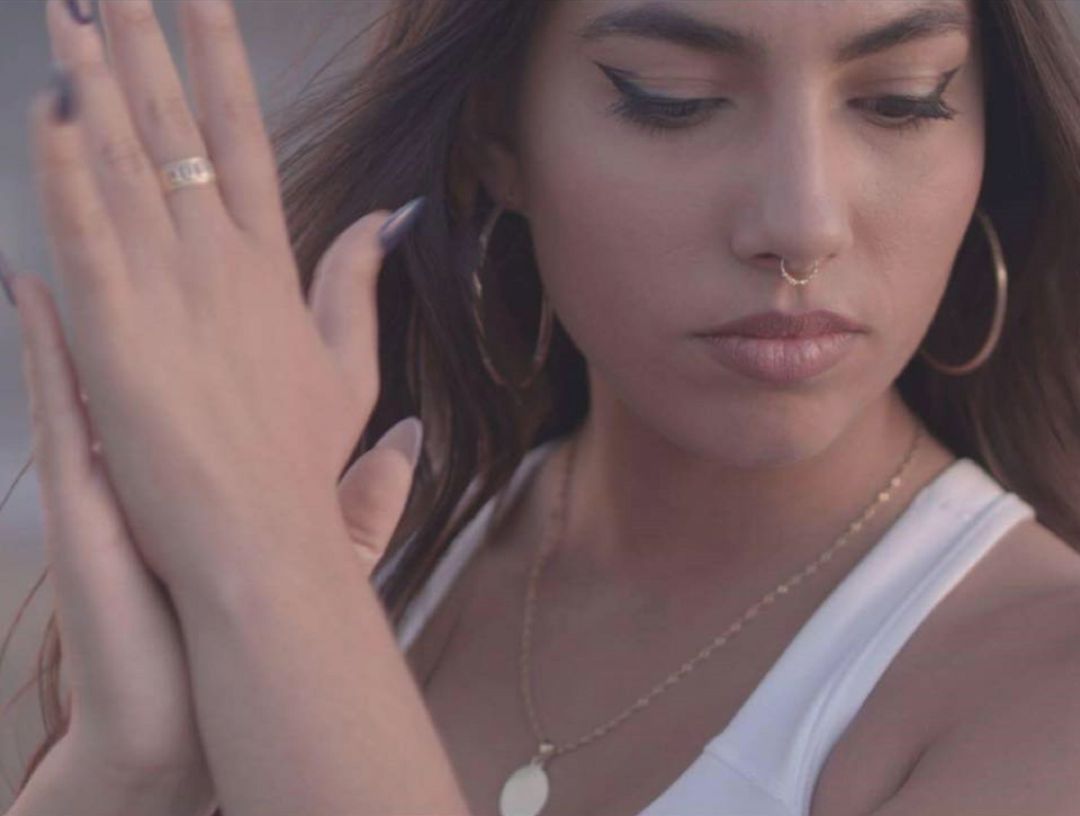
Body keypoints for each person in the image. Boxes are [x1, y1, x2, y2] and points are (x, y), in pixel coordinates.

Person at [2, 0, 1080, 814]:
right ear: (496, 137)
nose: (802, 223)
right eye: (671, 98)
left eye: (902, 100)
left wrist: (270, 579)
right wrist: (132, 774)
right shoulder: (387, 553)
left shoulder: (1039, 692)